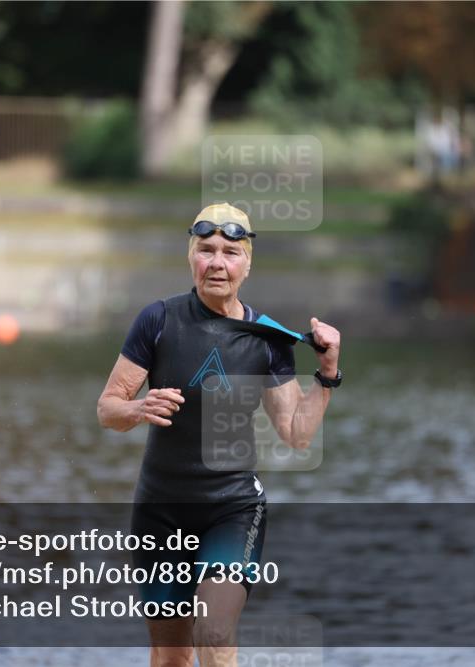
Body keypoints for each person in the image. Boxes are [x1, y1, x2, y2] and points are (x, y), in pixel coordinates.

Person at [97, 203, 342, 667]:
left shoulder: (267, 338)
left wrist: (326, 374)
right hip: (160, 509)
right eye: (206, 250)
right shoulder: (158, 320)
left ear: (247, 264)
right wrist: (137, 406)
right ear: (191, 257)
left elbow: (296, 432)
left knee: (213, 631)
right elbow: (107, 409)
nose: (217, 262)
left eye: (230, 252)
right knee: (171, 655)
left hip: (231, 505)